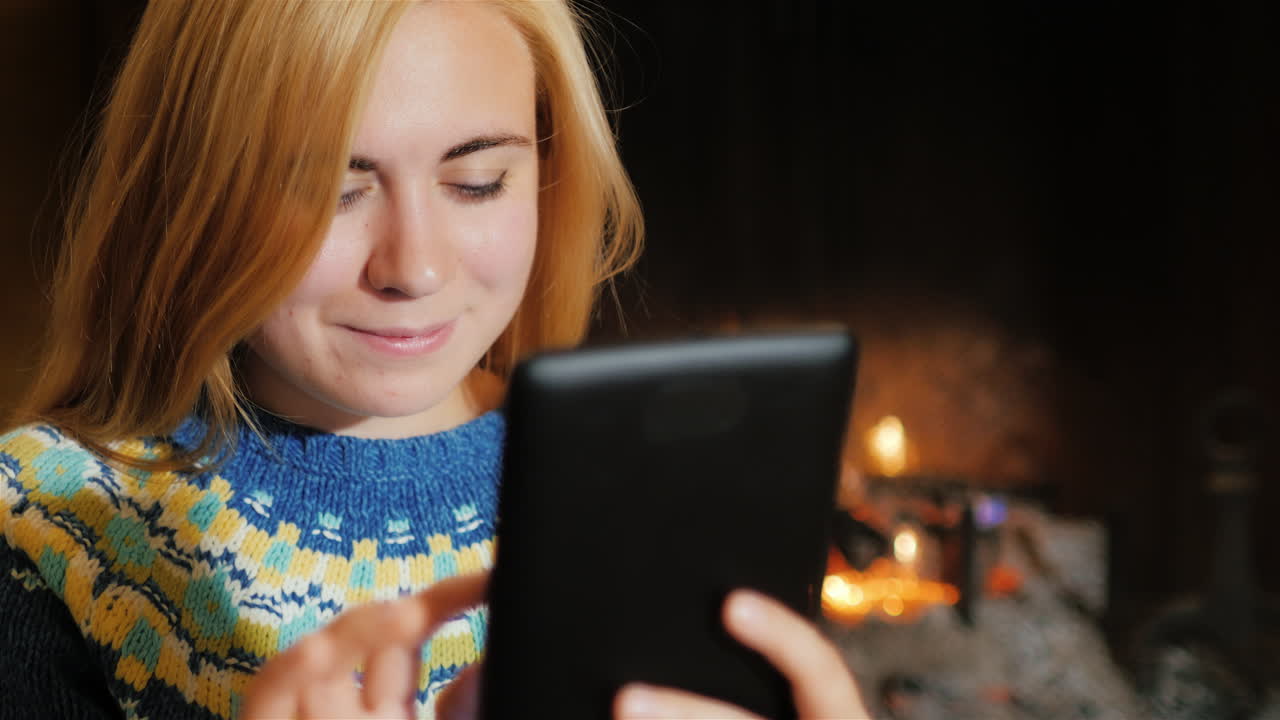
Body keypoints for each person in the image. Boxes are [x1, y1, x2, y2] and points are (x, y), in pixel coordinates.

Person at [0, 1, 870, 718]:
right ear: (192, 193)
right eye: (329, 191)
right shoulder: (46, 522)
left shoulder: (659, 498)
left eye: (476, 182)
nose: (413, 267)